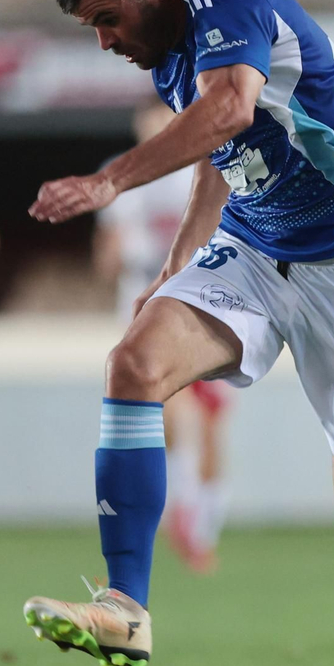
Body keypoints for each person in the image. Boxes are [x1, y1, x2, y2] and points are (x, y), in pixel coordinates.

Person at [22, 0, 334, 666]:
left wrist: (109, 180)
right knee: (132, 366)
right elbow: (219, 153)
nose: (104, 40)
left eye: (107, 19)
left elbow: (228, 109)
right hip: (252, 252)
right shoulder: (167, 54)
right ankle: (125, 608)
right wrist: (177, 264)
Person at [94, 98, 231, 574]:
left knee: (212, 425)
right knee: (175, 409)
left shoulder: (206, 169)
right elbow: (107, 256)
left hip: (208, 308)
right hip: (149, 311)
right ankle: (184, 516)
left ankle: (203, 527)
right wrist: (126, 256)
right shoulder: (124, 175)